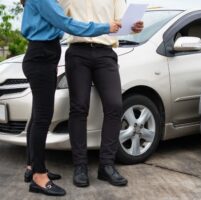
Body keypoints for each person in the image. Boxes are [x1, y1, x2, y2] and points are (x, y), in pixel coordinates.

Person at [21, 0, 121, 196]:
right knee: (42, 118)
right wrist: (105, 27)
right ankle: (39, 177)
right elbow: (66, 23)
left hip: (43, 54)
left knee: (37, 116)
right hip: (41, 56)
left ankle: (32, 166)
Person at [60, 0, 144, 187]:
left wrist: (134, 27)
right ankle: (80, 166)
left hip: (105, 53)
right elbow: (60, 17)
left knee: (115, 105)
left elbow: (121, 23)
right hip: (78, 52)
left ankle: (106, 166)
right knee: (79, 107)